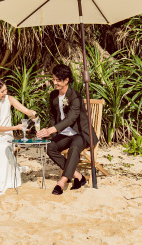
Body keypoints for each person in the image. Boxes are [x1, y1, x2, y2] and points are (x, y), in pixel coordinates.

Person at [36, 63, 98, 195]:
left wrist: (51, 130)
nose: (55, 83)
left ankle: (62, 182)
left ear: (66, 80)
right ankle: (78, 176)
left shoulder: (75, 97)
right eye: (53, 79)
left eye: (58, 80)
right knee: (50, 147)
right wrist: (54, 134)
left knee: (74, 148)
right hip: (64, 134)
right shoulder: (53, 95)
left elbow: (71, 119)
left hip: (81, 133)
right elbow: (52, 115)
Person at [0, 78, 37, 197]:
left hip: (6, 136)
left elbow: (25, 110)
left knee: (3, 146)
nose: (5, 93)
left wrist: (32, 113)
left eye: (6, 90)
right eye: (2, 91)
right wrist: (16, 127)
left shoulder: (9, 99)